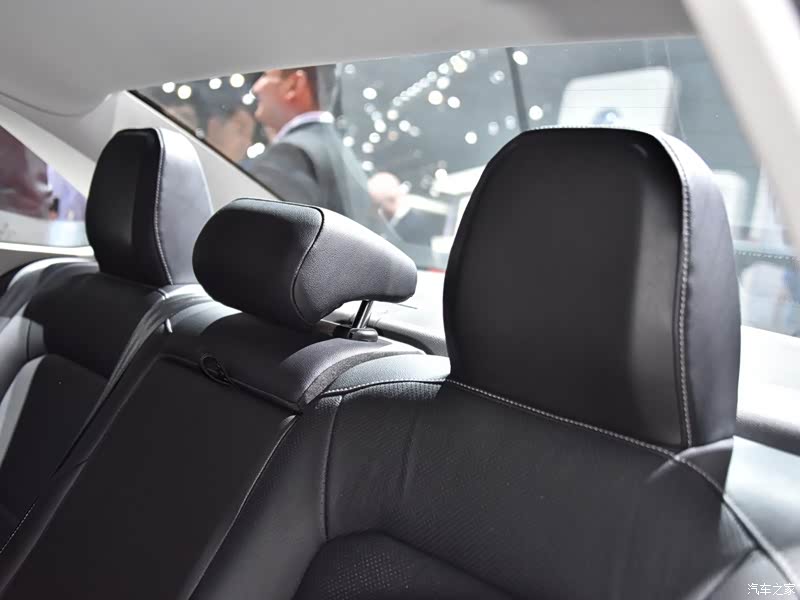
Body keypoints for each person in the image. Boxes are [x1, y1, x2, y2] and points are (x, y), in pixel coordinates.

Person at [249, 66, 385, 233]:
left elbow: (266, 236)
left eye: (266, 76)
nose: (256, 87)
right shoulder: (345, 157)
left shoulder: (291, 154)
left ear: (294, 85)